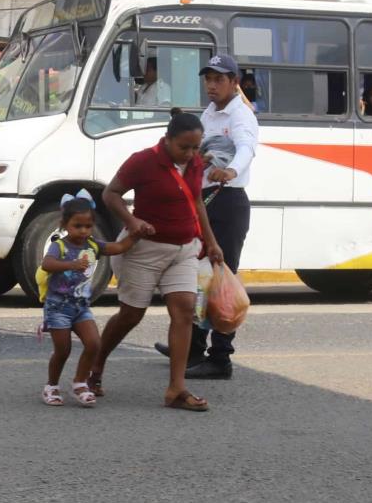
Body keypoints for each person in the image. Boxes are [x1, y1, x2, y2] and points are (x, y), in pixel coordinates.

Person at [87, 113, 224, 412]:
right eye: (183, 147)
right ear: (167, 140)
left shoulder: (195, 162)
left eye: (195, 148)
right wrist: (131, 219)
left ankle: (176, 389)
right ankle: (95, 366)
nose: (190, 154)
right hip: (144, 250)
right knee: (131, 315)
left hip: (184, 249)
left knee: (185, 310)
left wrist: (211, 242)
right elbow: (111, 194)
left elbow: (197, 202)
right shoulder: (142, 161)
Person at [157, 54, 259, 381]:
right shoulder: (209, 113)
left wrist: (230, 169)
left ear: (234, 82)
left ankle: (220, 358)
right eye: (208, 79)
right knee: (198, 276)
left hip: (228, 202)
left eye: (219, 79)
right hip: (205, 201)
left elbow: (246, 148)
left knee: (219, 281)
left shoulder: (241, 115)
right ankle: (191, 348)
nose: (212, 85)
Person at [40, 190, 142, 408]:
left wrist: (136, 234)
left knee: (94, 344)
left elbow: (118, 247)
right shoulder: (59, 246)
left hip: (80, 307)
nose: (84, 231)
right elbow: (47, 264)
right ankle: (51, 386)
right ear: (65, 224)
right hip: (58, 308)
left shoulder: (92, 245)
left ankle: (80, 383)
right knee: (63, 350)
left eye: (88, 226)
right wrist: (70, 264)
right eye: (78, 226)